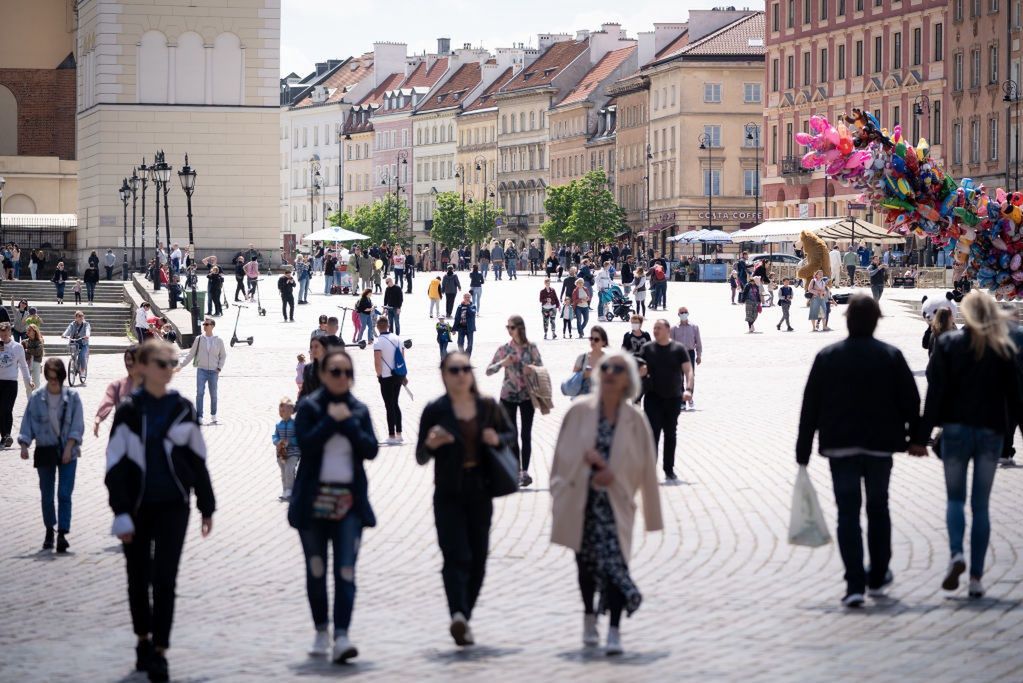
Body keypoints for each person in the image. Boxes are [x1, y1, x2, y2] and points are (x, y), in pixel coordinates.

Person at [797, 295, 922, 607]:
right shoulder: (891, 356)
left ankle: (854, 583)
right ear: (876, 320)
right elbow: (911, 400)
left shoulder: (827, 356)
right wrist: (917, 438)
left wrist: (803, 450)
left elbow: (810, 405)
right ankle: (877, 575)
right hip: (881, 445)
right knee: (878, 509)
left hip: (840, 446)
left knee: (847, 514)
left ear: (847, 320)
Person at [104, 340, 215, 683]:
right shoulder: (128, 411)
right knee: (137, 578)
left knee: (165, 579)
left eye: (171, 363)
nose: (169, 369)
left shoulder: (182, 408)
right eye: (162, 363)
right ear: (144, 368)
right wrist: (119, 510)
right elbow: (115, 465)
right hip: (136, 507)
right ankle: (143, 638)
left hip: (173, 505)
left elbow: (197, 459)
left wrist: (206, 504)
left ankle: (161, 652)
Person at [550, 350, 663, 656]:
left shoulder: (635, 419)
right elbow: (561, 458)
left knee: (616, 565)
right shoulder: (579, 412)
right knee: (585, 565)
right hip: (581, 500)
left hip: (616, 501)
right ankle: (589, 616)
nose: (610, 372)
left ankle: (614, 629)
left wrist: (650, 512)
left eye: (618, 369)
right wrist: (581, 474)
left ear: (628, 378)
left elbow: (646, 466)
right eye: (606, 368)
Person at [912, 291, 1021, 599]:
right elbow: (1016, 397)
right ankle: (976, 577)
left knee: (955, 500)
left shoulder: (948, 344)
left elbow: (934, 394)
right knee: (981, 505)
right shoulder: (1003, 347)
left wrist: (921, 438)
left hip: (956, 430)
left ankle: (956, 554)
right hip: (990, 432)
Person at [417, 351, 515, 645]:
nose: (461, 374)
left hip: (480, 489)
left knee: (479, 559)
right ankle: (458, 614)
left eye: (465, 369)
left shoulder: (487, 407)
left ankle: (464, 617)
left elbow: (510, 435)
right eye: (454, 370)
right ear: (444, 375)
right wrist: (432, 443)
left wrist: (497, 439)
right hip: (448, 491)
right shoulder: (435, 410)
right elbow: (421, 455)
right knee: (455, 555)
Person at [289, 347, 378, 664]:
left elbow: (370, 450)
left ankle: (342, 634)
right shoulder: (310, 408)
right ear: (324, 375)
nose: (342, 378)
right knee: (316, 570)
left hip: (349, 503)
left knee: (345, 570)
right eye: (336, 372)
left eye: (347, 373)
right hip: (313, 502)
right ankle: (321, 629)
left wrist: (348, 424)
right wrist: (330, 421)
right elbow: (306, 444)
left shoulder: (359, 410)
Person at [18, 356, 84, 554]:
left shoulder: (72, 397)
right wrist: (24, 444)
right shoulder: (38, 397)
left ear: (62, 377)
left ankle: (62, 533)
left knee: (64, 493)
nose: (53, 381)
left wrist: (69, 446)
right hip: (45, 449)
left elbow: (77, 425)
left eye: (56, 377)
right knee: (46, 495)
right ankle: (49, 530)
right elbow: (27, 422)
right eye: (50, 377)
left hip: (68, 451)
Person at [486, 315, 543, 487]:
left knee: (526, 434)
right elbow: (489, 371)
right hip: (508, 396)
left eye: (511, 327)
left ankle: (524, 471)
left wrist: (531, 369)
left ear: (520, 328)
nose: (509, 330)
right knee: (512, 435)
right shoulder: (504, 349)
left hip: (527, 396)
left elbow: (541, 367)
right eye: (508, 327)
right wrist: (503, 363)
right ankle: (516, 471)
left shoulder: (531, 348)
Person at [637, 319, 693, 481]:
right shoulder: (647, 349)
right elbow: (638, 369)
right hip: (653, 397)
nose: (655, 331)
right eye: (654, 328)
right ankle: (649, 470)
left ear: (668, 330)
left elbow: (688, 371)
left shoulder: (678, 349)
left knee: (670, 434)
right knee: (652, 434)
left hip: (673, 398)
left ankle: (669, 469)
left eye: (658, 328)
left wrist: (688, 390)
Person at [177, 318, 227, 425]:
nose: (204, 326)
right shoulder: (199, 339)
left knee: (213, 394)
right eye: (204, 324)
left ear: (212, 326)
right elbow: (191, 354)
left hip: (214, 371)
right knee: (199, 393)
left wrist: (219, 368)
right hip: (201, 370)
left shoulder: (219, 340)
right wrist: (181, 365)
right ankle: (199, 416)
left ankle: (213, 415)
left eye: (207, 324)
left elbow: (223, 355)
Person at [94, 345, 141, 437]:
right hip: (121, 437)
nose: (130, 362)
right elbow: (107, 401)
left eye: (134, 359)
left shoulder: (152, 385)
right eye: (128, 359)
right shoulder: (117, 385)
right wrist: (98, 419)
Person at [373, 317, 407, 444]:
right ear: (388, 325)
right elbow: (402, 358)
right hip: (398, 375)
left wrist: (379, 375)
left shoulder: (378, 341)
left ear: (377, 326)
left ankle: (391, 435)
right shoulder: (398, 338)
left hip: (386, 377)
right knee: (396, 403)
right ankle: (399, 433)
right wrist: (403, 375)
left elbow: (377, 361)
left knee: (389, 405)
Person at [671, 307, 702, 410]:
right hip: (678, 354)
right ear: (678, 314)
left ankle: (690, 397)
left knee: (690, 377)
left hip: (690, 353)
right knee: (679, 378)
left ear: (688, 313)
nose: (683, 314)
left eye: (685, 312)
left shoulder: (694, 327)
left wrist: (699, 355)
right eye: (681, 313)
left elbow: (698, 342)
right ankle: (682, 401)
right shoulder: (674, 328)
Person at [273, 397, 300, 501]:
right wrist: (277, 442)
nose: (285, 413)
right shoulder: (278, 425)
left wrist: (290, 441)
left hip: (294, 452)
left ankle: (291, 491)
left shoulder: (295, 424)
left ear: (292, 411)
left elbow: (299, 437)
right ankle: (285, 491)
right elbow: (275, 436)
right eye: (283, 410)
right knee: (284, 472)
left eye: (288, 410)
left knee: (289, 469)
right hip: (281, 453)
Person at [572, 325, 608, 395]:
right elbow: (573, 380)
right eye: (591, 338)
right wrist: (583, 375)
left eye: (596, 339)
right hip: (582, 400)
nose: (593, 341)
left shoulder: (608, 360)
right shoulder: (582, 358)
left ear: (603, 342)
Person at [62, 310, 91, 383]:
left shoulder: (86, 324)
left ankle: (82, 370)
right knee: (73, 356)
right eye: (79, 317)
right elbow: (68, 329)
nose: (80, 318)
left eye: (82, 317)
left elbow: (88, 330)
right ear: (75, 318)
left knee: (81, 355)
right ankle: (73, 366)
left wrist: (87, 335)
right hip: (74, 342)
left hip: (83, 343)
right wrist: (64, 334)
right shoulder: (72, 324)